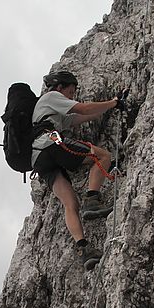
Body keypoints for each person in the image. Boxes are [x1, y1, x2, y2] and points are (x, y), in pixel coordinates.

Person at [31, 70, 124, 270]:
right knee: (103, 156)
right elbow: (83, 109)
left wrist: (109, 108)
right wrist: (114, 102)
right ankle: (92, 199)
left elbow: (82, 117)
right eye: (70, 91)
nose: (71, 96)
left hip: (38, 158)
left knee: (70, 202)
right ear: (60, 87)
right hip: (51, 142)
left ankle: (83, 249)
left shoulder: (48, 112)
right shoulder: (52, 97)